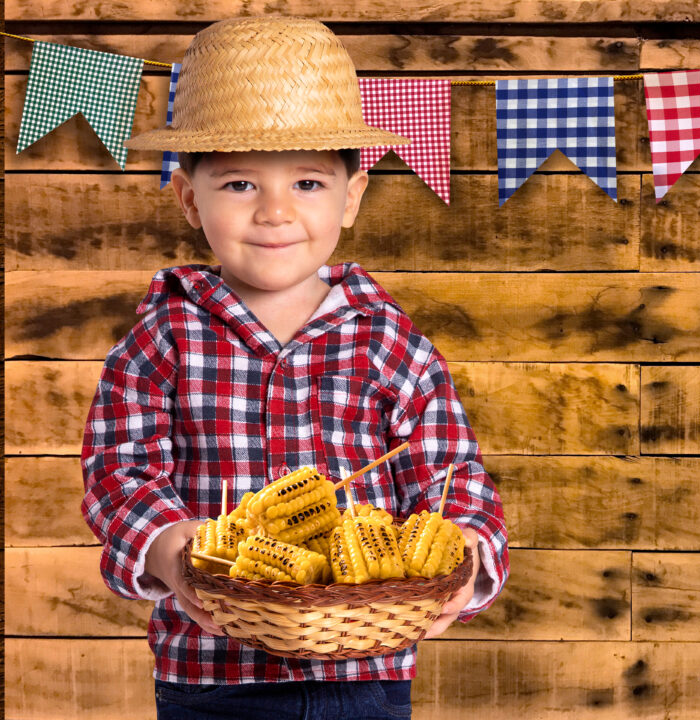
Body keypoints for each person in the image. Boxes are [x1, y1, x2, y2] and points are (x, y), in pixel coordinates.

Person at [79, 15, 509, 720]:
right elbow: (118, 472)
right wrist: (165, 547)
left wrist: (463, 548)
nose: (276, 212)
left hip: (367, 668)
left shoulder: (390, 343)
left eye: (308, 183)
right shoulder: (161, 339)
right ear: (191, 199)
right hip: (212, 673)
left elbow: (451, 471)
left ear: (352, 197)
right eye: (241, 184)